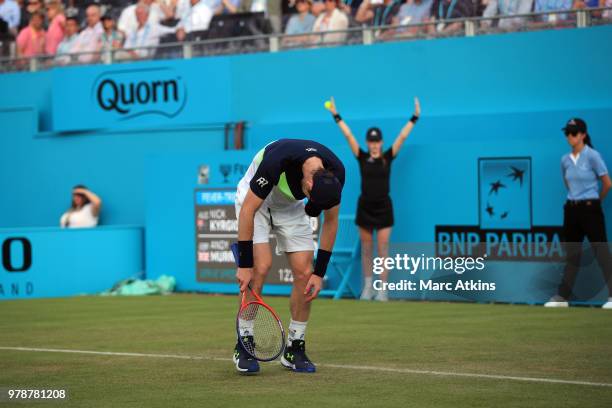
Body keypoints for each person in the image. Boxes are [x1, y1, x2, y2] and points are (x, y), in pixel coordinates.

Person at [233, 138, 345, 374]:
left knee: (305, 274)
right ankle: (244, 341)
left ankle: (295, 347)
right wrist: (245, 265)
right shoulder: (277, 161)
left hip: (290, 206)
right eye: (310, 195)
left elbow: (331, 222)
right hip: (255, 201)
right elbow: (248, 210)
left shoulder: (335, 174)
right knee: (260, 267)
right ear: (309, 182)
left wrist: (319, 273)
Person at [327, 96, 420, 301]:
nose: (375, 145)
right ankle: (368, 288)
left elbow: (402, 138)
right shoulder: (361, 156)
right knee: (367, 249)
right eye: (371, 141)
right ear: (368, 143)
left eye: (377, 141)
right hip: (365, 207)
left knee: (383, 249)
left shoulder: (388, 157)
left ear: (382, 142)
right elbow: (349, 135)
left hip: (384, 207)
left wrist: (414, 117)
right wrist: (336, 115)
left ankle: (383, 290)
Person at [545, 118, 612, 309]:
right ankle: (563, 298)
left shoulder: (593, 156)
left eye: (573, 133)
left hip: (590, 209)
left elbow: (607, 183)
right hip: (571, 210)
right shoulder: (564, 160)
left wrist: (594, 201)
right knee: (572, 254)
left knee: (601, 252)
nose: (569, 137)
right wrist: (576, 199)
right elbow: (568, 183)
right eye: (567, 133)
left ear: (582, 135)